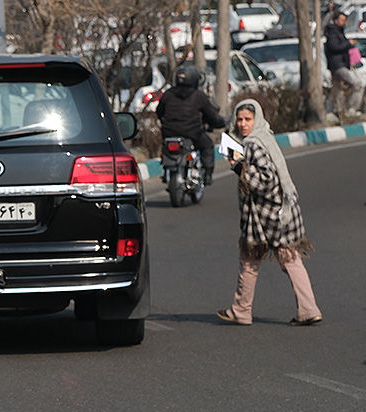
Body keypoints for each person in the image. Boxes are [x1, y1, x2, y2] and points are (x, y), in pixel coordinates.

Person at [217, 100, 322, 326]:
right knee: (289, 259)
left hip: (267, 216)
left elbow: (266, 179)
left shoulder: (254, 144)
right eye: (240, 119)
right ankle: (308, 309)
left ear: (257, 120)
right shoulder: (264, 137)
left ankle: (242, 311)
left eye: (248, 119)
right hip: (280, 212)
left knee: (250, 259)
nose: (243, 124)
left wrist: (238, 167)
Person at [156, 63, 226, 186]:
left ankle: (166, 170)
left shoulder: (168, 94)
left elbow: (159, 112)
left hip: (169, 133)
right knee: (208, 146)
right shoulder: (198, 96)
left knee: (165, 148)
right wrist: (221, 123)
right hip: (192, 133)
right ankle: (208, 174)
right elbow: (211, 115)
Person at [324, 7, 364, 121]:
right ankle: (350, 109)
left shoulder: (339, 31)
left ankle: (329, 112)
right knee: (357, 84)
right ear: (336, 20)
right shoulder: (332, 32)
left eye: (344, 20)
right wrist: (348, 43)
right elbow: (334, 47)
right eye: (341, 20)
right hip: (338, 65)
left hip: (341, 64)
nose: (343, 22)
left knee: (335, 89)